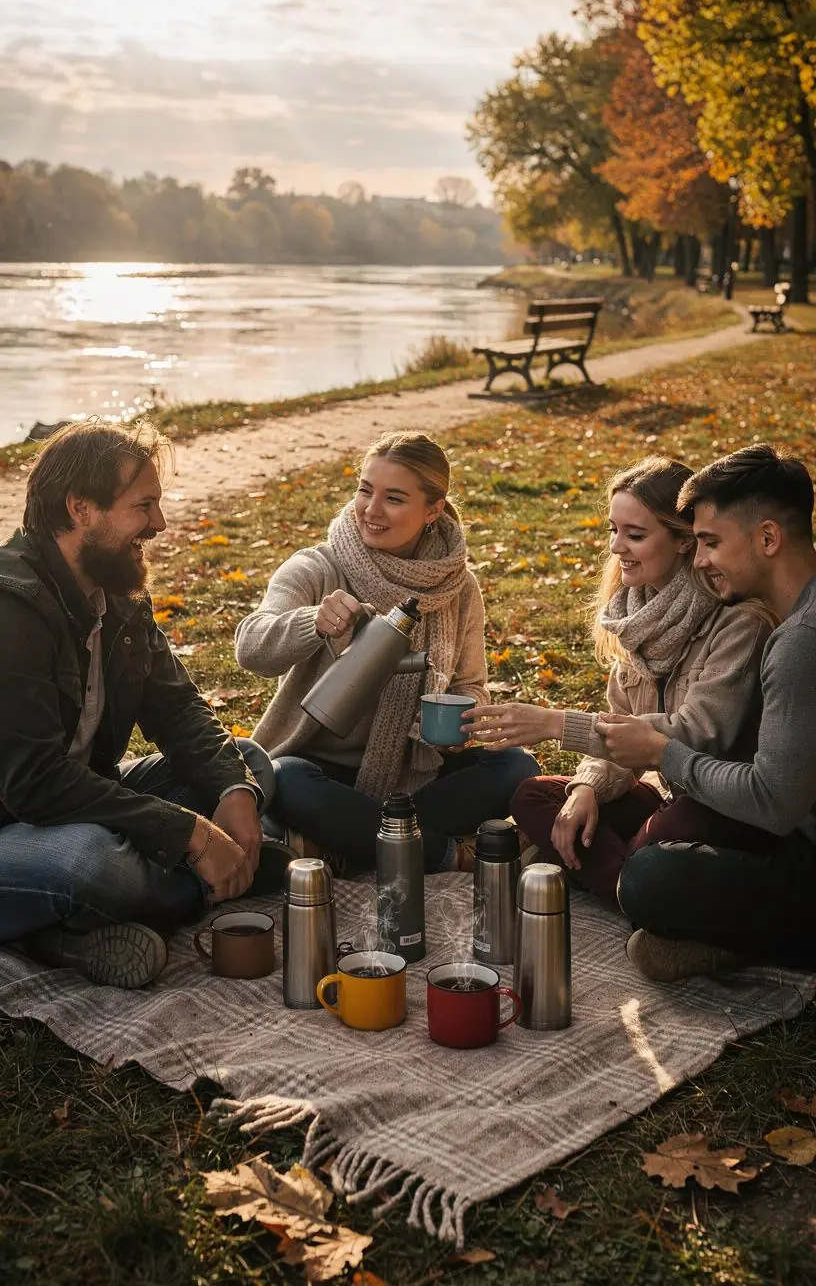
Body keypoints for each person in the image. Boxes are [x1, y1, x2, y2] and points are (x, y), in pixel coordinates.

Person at [0, 421, 290, 990]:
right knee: (89, 861)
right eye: (144, 507)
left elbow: (177, 709)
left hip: (75, 799)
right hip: (19, 817)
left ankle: (70, 924)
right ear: (80, 508)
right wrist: (191, 835)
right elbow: (33, 783)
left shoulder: (117, 590)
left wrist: (231, 796)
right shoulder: (12, 610)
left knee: (247, 764)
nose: (158, 524)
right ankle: (75, 922)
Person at [461, 456, 773, 909]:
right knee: (536, 795)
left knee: (667, 829)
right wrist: (587, 787)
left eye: (635, 534)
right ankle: (639, 890)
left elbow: (699, 733)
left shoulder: (739, 623)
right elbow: (619, 723)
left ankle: (636, 885)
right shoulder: (636, 616)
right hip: (661, 794)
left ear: (685, 541)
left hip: (716, 802)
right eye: (613, 530)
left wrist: (555, 724)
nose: (615, 547)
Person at [234, 430, 538, 871]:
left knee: (516, 766)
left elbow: (471, 684)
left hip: (417, 773)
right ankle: (447, 853)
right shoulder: (318, 566)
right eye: (364, 490)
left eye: (394, 498)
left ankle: (344, 843)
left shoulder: (458, 587)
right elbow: (250, 646)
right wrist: (313, 621)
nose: (371, 511)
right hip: (322, 769)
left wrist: (462, 719)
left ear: (433, 509)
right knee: (283, 780)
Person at [602, 444, 816, 980]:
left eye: (710, 543)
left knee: (650, 877)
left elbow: (774, 805)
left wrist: (663, 753)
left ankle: (756, 944)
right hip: (789, 832)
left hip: (799, 850)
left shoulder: (797, 643)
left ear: (768, 538)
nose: (699, 561)